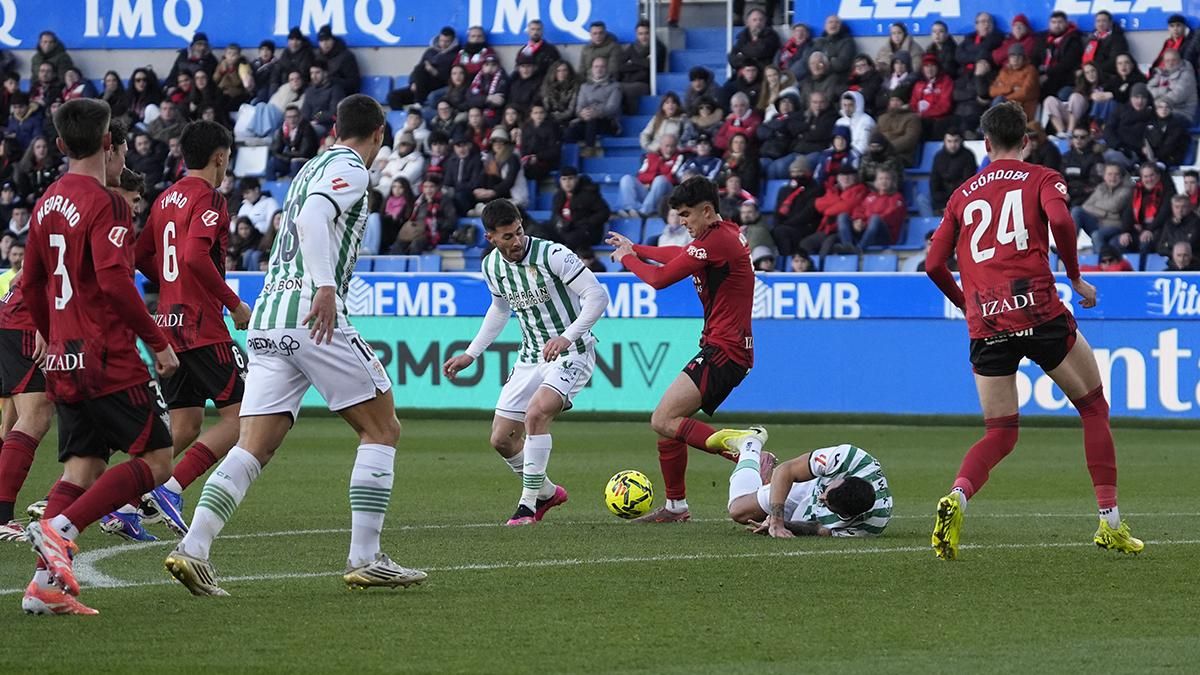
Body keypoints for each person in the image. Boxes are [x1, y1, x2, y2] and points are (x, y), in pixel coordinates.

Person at [165, 95, 426, 596]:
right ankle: (366, 557)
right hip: (312, 315)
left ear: (333, 126)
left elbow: (302, 215)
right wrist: (326, 287)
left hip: (268, 318)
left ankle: (193, 549)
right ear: (379, 135)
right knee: (382, 429)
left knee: (252, 446)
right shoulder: (352, 168)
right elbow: (310, 220)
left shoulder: (311, 167)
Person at [925, 101, 1143, 561]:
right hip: (1038, 311)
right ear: (1026, 140)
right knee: (1093, 406)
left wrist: (968, 305)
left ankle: (957, 496)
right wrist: (1075, 275)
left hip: (987, 321)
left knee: (1000, 432)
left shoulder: (963, 194)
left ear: (985, 145)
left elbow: (932, 264)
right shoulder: (1042, 177)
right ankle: (1110, 523)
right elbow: (1062, 220)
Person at [19, 99, 179, 614]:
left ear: (62, 145)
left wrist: (49, 335)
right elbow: (114, 280)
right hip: (105, 353)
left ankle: (42, 592)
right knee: (156, 460)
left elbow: (32, 283)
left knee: (81, 468)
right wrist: (156, 339)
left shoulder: (46, 201)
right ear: (109, 142)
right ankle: (61, 529)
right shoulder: (106, 202)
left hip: (63, 354)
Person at [102, 120, 252, 542]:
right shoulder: (210, 198)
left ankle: (125, 506)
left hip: (169, 324)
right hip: (202, 325)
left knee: (182, 427)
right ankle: (169, 488)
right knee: (244, 418)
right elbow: (193, 256)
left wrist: (170, 286)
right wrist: (234, 304)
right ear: (220, 157)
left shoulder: (166, 197)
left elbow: (141, 255)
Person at [442, 199, 608, 525]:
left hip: (572, 352)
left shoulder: (553, 254)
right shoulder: (491, 266)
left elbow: (597, 296)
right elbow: (500, 310)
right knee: (501, 439)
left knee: (536, 413)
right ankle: (546, 492)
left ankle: (527, 506)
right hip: (530, 356)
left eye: (518, 232)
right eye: (507, 236)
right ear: (490, 237)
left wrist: (567, 336)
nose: (516, 241)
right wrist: (471, 353)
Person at [605, 177, 755, 523]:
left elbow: (658, 280)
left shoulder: (715, 241)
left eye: (686, 215)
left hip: (724, 350)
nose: (681, 222)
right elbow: (679, 255)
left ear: (706, 210)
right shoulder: (722, 233)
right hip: (727, 349)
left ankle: (746, 452)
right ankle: (676, 507)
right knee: (668, 422)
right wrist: (638, 248)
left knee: (663, 419)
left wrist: (628, 259)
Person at [720, 429, 892, 538]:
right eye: (827, 492)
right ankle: (750, 443)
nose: (822, 498)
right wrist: (777, 521)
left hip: (812, 514)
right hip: (811, 484)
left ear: (849, 515)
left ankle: (767, 480)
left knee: (769, 522)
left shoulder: (868, 527)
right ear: (842, 479)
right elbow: (787, 470)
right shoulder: (849, 459)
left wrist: (784, 524)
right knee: (738, 511)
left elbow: (818, 529)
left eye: (827, 503)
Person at [541, 167, 610, 249]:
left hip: (585, 231)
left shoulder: (588, 193)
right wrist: (560, 222)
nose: (567, 182)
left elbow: (604, 212)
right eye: (564, 179)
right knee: (542, 229)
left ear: (577, 179)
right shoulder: (558, 196)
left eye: (570, 178)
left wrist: (586, 223)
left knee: (573, 237)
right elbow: (555, 214)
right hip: (566, 230)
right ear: (560, 181)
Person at [564, 57, 621, 155]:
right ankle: (569, 160)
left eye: (602, 67)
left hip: (607, 122)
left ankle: (590, 150)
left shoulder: (615, 86)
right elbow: (579, 107)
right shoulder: (584, 87)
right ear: (592, 69)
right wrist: (582, 113)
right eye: (596, 67)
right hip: (587, 120)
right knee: (571, 130)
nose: (599, 69)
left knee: (592, 121)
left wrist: (596, 112)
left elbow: (612, 108)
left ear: (606, 69)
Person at [838, 168, 904, 250]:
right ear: (876, 181)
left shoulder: (897, 197)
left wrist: (866, 223)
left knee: (875, 218)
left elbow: (891, 216)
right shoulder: (871, 196)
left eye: (887, 178)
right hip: (866, 229)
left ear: (892, 182)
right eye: (880, 178)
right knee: (843, 216)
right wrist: (858, 220)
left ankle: (859, 249)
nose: (883, 181)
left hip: (883, 235)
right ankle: (848, 247)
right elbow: (860, 209)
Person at [619, 134, 682, 218]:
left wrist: (651, 182)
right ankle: (631, 209)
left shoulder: (679, 157)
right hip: (650, 191)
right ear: (661, 145)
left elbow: (672, 177)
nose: (669, 149)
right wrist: (649, 182)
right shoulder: (651, 156)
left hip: (667, 193)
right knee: (626, 179)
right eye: (667, 146)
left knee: (660, 180)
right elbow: (640, 176)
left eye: (672, 146)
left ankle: (644, 212)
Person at [1072, 163, 1132, 251]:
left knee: (1096, 235)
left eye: (1116, 174)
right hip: (1098, 222)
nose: (1113, 177)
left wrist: (1096, 206)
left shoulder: (1127, 190)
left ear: (1121, 176)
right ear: (1104, 176)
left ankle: (1101, 261)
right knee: (1077, 210)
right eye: (1110, 174)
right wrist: (1105, 213)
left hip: (1115, 226)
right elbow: (1086, 206)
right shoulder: (1101, 187)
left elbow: (1114, 206)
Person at [922, 128, 977, 216]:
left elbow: (967, 182)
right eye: (949, 141)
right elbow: (934, 181)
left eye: (955, 141)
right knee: (922, 199)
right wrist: (941, 202)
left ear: (961, 141)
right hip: (941, 197)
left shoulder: (968, 156)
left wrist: (949, 203)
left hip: (960, 197)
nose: (952, 145)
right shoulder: (938, 156)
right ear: (944, 141)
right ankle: (934, 226)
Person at [990, 43, 1039, 120]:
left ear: (1024, 58)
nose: (1015, 59)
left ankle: (986, 129)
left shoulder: (1031, 70)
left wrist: (1005, 98)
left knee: (999, 101)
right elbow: (992, 91)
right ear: (1009, 58)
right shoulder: (1004, 71)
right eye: (1012, 56)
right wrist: (1010, 88)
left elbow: (1026, 92)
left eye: (1019, 56)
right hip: (1005, 106)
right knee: (999, 100)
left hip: (1022, 109)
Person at [1146, 49, 1197, 123]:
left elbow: (1176, 96)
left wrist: (1155, 104)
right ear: (1164, 62)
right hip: (1163, 109)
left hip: (1182, 113)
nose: (1170, 63)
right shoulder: (1160, 73)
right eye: (1167, 60)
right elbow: (1147, 90)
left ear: (1180, 60)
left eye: (1174, 60)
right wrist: (1164, 90)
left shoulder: (1187, 74)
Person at [269, 105, 318, 179]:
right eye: (289, 117)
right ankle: (269, 188)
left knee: (295, 163)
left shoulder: (307, 129)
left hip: (306, 161)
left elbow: (303, 152)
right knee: (272, 162)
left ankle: (294, 188)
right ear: (285, 118)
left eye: (294, 116)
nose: (292, 120)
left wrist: (286, 153)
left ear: (300, 117)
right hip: (289, 160)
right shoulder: (282, 129)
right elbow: (276, 150)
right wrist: (285, 158)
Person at [301, 60, 344, 138]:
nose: (313, 76)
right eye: (311, 73)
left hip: (327, 126)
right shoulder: (309, 91)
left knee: (307, 132)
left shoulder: (335, 90)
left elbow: (333, 112)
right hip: (310, 125)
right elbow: (305, 111)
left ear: (325, 73)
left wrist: (316, 117)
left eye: (317, 72)